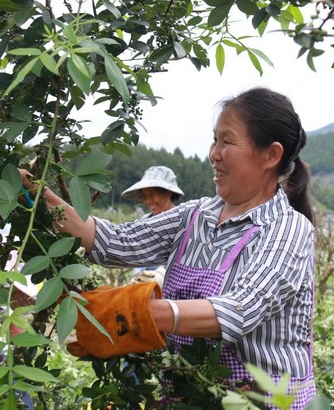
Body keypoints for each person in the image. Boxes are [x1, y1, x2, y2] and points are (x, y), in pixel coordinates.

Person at [21, 87, 316, 408]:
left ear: (271, 155)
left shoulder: (288, 229)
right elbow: (118, 241)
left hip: (263, 401)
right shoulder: (194, 215)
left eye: (227, 141)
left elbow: (239, 310)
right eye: (214, 139)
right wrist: (43, 199)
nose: (214, 153)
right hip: (189, 393)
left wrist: (140, 315)